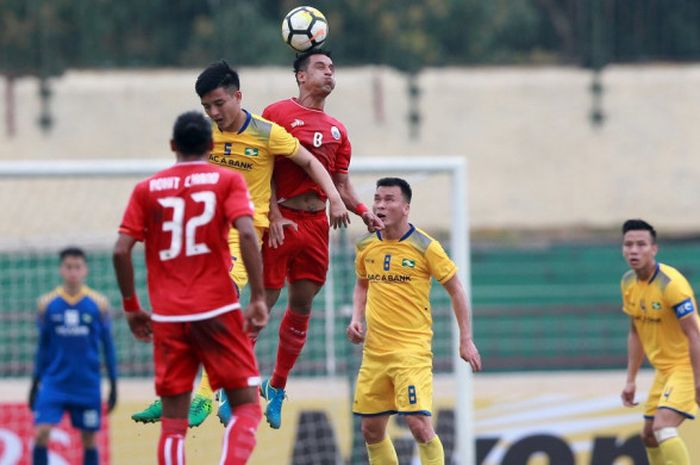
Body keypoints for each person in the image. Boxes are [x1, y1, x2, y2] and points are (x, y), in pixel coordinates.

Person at [130, 60, 350, 427]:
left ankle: (204, 396)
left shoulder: (266, 133)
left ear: (237, 97)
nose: (214, 113)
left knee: (218, 303)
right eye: (207, 108)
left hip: (240, 236)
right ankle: (175, 393)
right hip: (201, 236)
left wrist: (336, 200)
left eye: (219, 104)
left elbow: (310, 163)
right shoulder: (203, 137)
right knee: (179, 312)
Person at [113, 111, 268, 465]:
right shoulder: (227, 181)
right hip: (217, 309)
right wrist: (258, 298)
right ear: (211, 146)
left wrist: (132, 307)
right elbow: (246, 233)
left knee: (173, 425)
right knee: (246, 407)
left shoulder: (146, 189)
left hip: (168, 315)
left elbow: (121, 250)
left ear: (172, 146)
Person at [257, 49, 384, 430]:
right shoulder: (276, 113)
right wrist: (274, 214)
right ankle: (234, 385)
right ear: (300, 75)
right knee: (264, 304)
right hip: (281, 219)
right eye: (321, 67)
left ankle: (276, 386)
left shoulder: (337, 130)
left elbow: (342, 183)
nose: (330, 73)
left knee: (301, 306)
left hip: (316, 226)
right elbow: (261, 168)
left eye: (332, 68)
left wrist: (363, 211)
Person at [346, 177, 481, 465]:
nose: (381, 205)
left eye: (389, 199)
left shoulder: (425, 246)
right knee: (370, 430)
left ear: (405, 207)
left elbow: (456, 289)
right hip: (374, 353)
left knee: (418, 424)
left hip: (411, 351)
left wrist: (466, 338)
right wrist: (356, 319)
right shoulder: (366, 244)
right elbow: (362, 284)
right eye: (378, 199)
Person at [620, 219, 700, 465]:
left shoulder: (671, 284)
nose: (634, 250)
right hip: (664, 370)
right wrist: (631, 379)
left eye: (641, 244)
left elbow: (694, 334)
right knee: (649, 436)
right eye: (628, 244)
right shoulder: (628, 283)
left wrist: (699, 379)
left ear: (654, 249)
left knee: (663, 427)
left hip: (686, 366)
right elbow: (636, 332)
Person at [29, 247, 117, 465]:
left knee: (89, 439)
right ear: (61, 269)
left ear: (85, 270)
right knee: (41, 432)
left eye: (77, 267)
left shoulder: (99, 303)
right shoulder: (47, 304)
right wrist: (35, 382)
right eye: (68, 267)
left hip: (86, 384)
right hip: (54, 383)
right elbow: (43, 347)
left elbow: (108, 346)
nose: (73, 272)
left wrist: (114, 384)